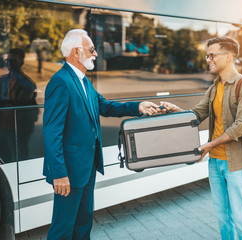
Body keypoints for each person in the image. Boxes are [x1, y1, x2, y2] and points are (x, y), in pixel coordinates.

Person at [43, 29, 158, 239]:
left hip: (87, 168)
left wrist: (138, 106)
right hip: (69, 172)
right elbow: (52, 132)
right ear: (77, 52)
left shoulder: (84, 81)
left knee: (83, 225)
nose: (95, 54)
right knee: (63, 228)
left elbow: (105, 106)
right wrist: (59, 173)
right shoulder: (61, 82)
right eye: (92, 49)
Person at [161, 37, 242, 240]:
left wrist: (209, 145)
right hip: (215, 163)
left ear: (229, 56)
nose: (208, 59)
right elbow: (197, 114)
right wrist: (176, 110)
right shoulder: (215, 87)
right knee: (223, 217)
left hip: (237, 164)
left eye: (212, 55)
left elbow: (240, 126)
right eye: (207, 55)